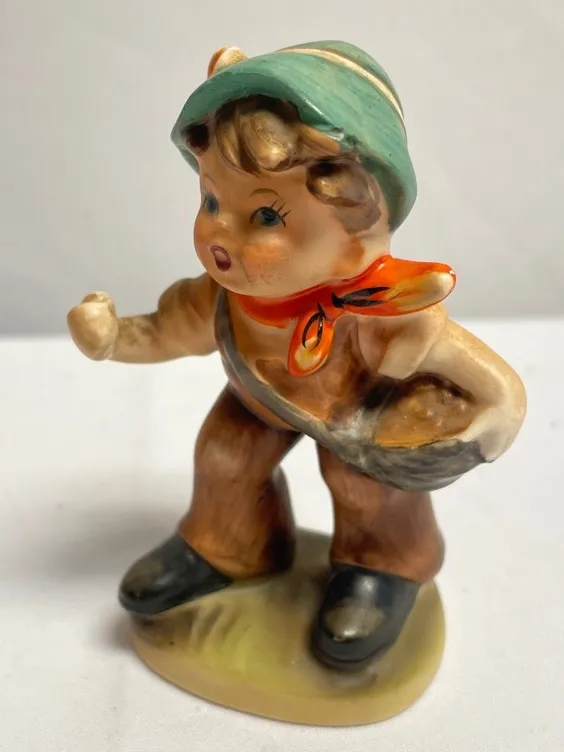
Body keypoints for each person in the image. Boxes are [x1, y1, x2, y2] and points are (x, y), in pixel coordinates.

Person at [68, 41, 526, 671]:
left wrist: (501, 405)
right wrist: (113, 337)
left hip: (359, 416)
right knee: (227, 453)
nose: (219, 233)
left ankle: (384, 567)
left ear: (358, 235)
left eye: (265, 215)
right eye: (211, 201)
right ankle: (229, 546)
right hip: (260, 403)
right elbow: (170, 331)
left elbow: (459, 358)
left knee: (364, 487)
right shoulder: (224, 299)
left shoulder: (378, 309)